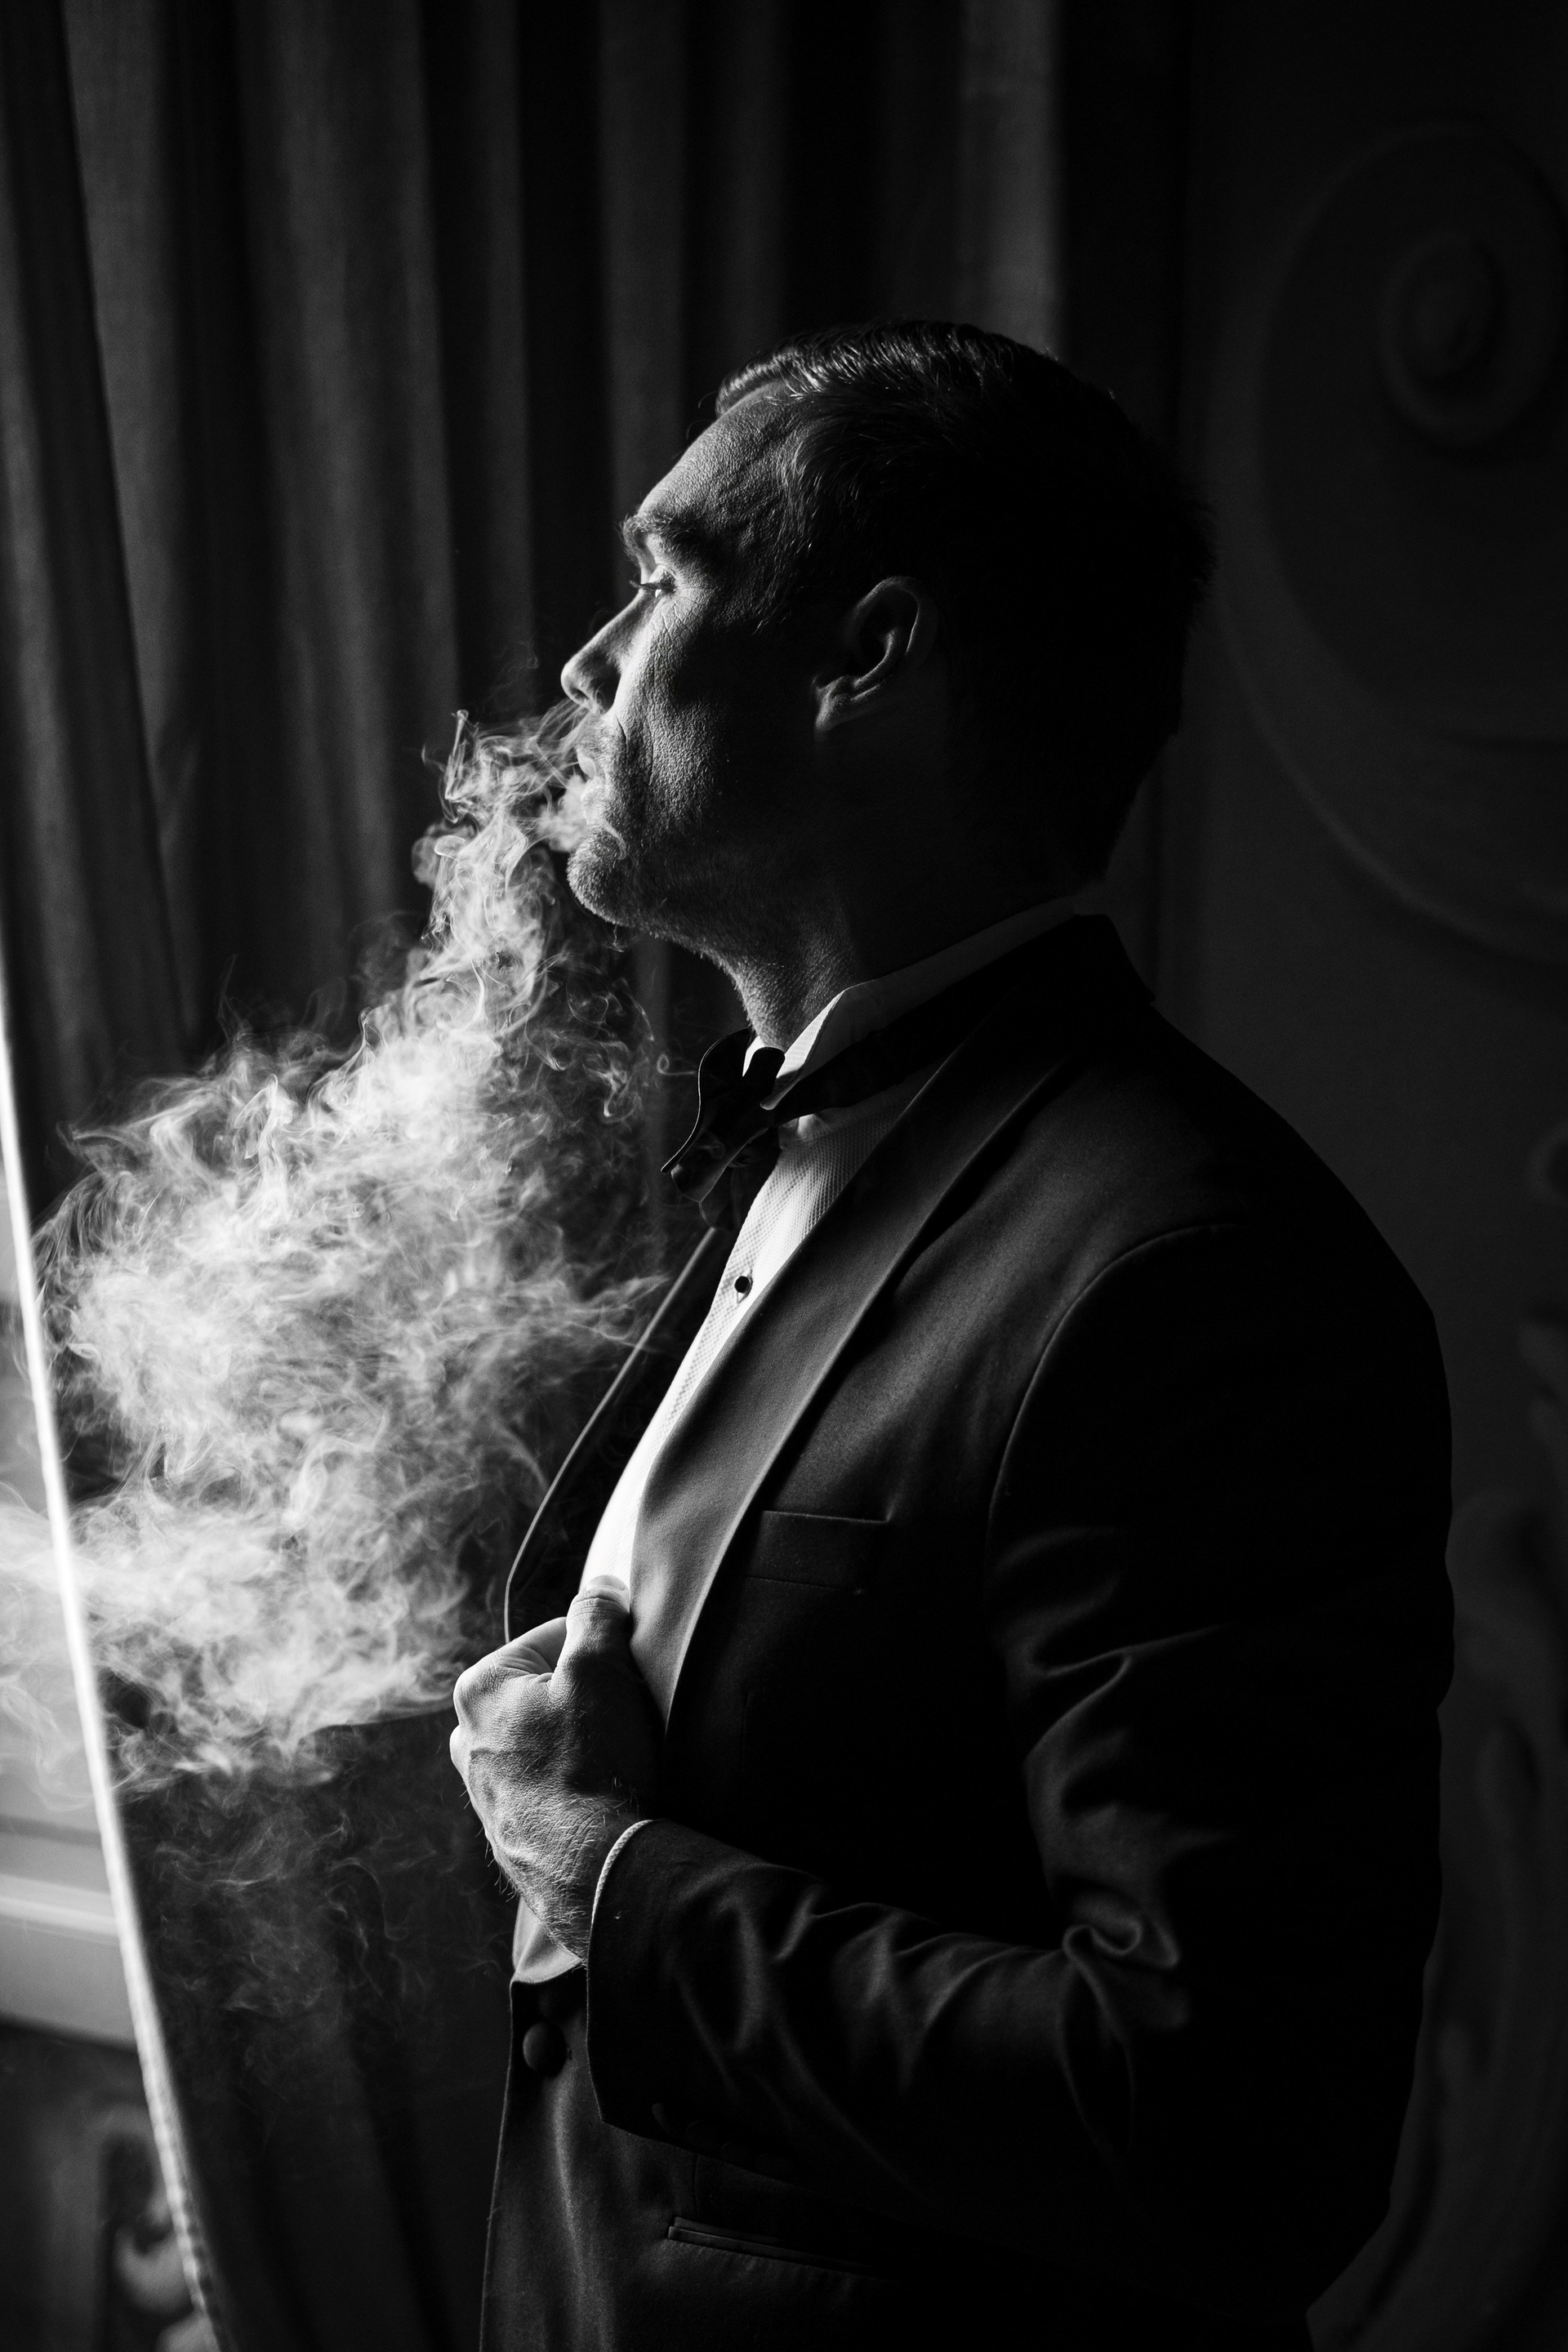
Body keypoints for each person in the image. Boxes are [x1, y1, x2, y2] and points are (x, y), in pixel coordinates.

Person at [449, 320, 1452, 2352]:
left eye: (661, 578)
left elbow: (1226, 2123)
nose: (586, 665)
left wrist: (610, 1877)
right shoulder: (829, 1150)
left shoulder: (1191, 1270)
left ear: (871, 659)